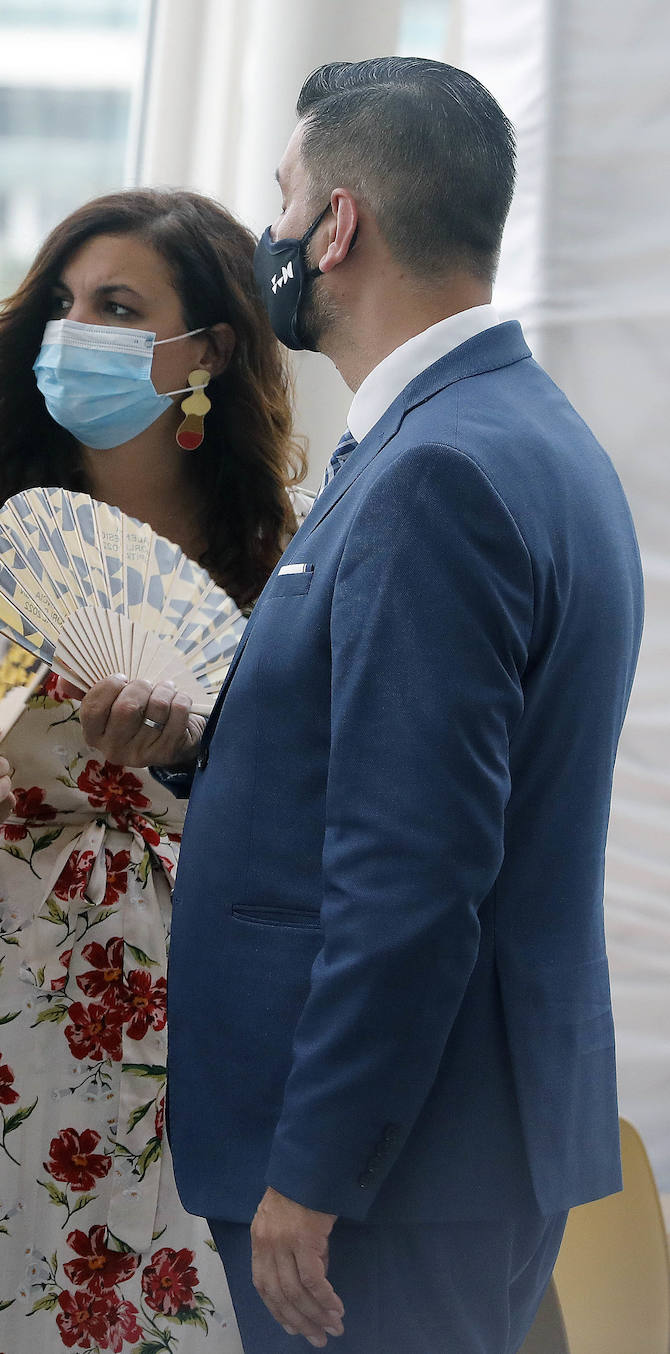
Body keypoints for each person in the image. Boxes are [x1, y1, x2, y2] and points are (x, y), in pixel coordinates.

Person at [79, 58, 644, 1353]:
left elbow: (412, 867)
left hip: (385, 1177)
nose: (270, 232)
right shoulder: (514, 433)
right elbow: (379, 763)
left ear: (338, 224)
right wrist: (201, 745)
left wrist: (318, 1163)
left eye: (283, 201)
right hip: (454, 1152)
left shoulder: (431, 474)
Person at [0, 188, 304, 1354]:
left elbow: (320, 830)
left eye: (117, 306)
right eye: (61, 302)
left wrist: (193, 750)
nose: (74, 328)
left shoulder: (288, 556)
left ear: (208, 350)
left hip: (190, 1028)